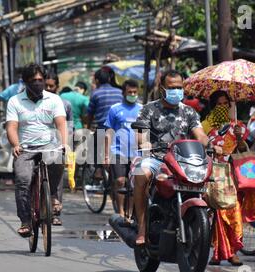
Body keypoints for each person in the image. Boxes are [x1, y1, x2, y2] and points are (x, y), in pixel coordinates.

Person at [133, 70, 209, 246]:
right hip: (157, 159)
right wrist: (144, 143)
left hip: (183, 161)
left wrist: (209, 142)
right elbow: (140, 134)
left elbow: (200, 135)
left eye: (179, 87)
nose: (176, 91)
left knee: (213, 182)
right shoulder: (149, 109)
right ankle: (142, 228)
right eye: (172, 87)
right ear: (162, 88)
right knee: (141, 173)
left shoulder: (189, 112)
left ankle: (206, 231)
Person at [202, 90, 255, 266]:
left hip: (233, 175)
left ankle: (233, 251)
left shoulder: (237, 126)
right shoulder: (205, 126)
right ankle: (219, 251)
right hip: (214, 174)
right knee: (218, 213)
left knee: (234, 211)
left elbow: (244, 148)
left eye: (225, 104)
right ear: (213, 106)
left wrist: (238, 137)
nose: (222, 107)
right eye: (218, 104)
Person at [6, 63, 67, 238]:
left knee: (58, 161)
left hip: (49, 145)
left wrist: (64, 143)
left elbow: (61, 123)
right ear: (26, 82)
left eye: (41, 80)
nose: (38, 83)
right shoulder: (15, 101)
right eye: (34, 80)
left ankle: (52, 192)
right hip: (25, 148)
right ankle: (25, 221)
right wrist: (15, 144)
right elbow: (11, 127)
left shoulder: (54, 99)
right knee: (23, 180)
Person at [104, 79, 142, 218]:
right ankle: (120, 211)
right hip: (118, 151)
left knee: (133, 183)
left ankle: (130, 212)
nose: (132, 94)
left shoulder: (142, 109)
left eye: (135, 92)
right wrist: (106, 155)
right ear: (123, 93)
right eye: (129, 92)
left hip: (136, 153)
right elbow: (108, 132)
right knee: (120, 181)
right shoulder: (115, 109)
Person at [44, 70, 73, 226]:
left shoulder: (65, 104)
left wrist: (67, 145)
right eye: (46, 85)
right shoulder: (35, 103)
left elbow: (69, 126)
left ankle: (55, 212)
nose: (48, 88)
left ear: (57, 87)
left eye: (51, 86)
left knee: (57, 178)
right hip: (37, 145)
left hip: (57, 146)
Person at [87, 68, 123, 166]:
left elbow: (90, 114)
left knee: (93, 146)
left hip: (102, 128)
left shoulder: (95, 93)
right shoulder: (119, 92)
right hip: (119, 128)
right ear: (109, 79)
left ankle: (98, 169)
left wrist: (88, 127)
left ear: (97, 80)